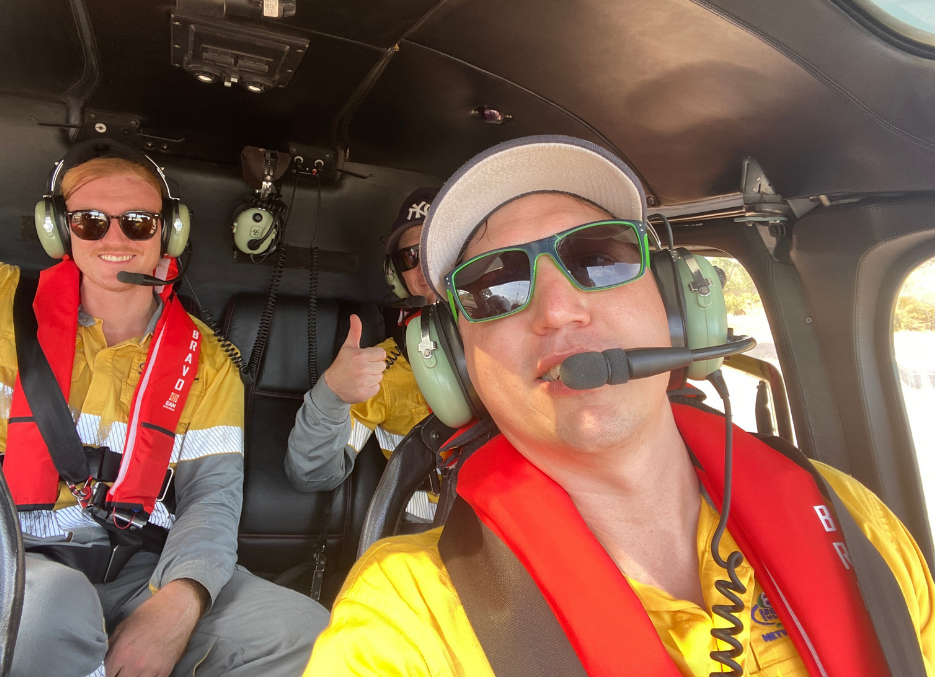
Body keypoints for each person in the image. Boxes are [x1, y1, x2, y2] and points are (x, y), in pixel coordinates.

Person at [301, 136, 935, 675]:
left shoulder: (855, 522)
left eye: (600, 258)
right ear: (457, 363)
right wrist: (333, 396)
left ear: (679, 304)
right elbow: (316, 473)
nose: (558, 310)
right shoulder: (407, 617)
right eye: (495, 287)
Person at [0, 140, 328, 677]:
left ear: (169, 231)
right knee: (56, 605)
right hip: (7, 555)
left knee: (308, 634)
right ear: (59, 229)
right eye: (90, 221)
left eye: (138, 222)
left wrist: (177, 603)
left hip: (141, 567)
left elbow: (211, 499)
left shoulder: (207, 361)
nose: (115, 237)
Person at [285, 188, 438, 517]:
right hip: (427, 540)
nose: (426, 267)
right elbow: (310, 476)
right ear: (396, 277)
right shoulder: (382, 370)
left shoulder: (525, 344)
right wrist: (331, 395)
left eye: (437, 249)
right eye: (410, 257)